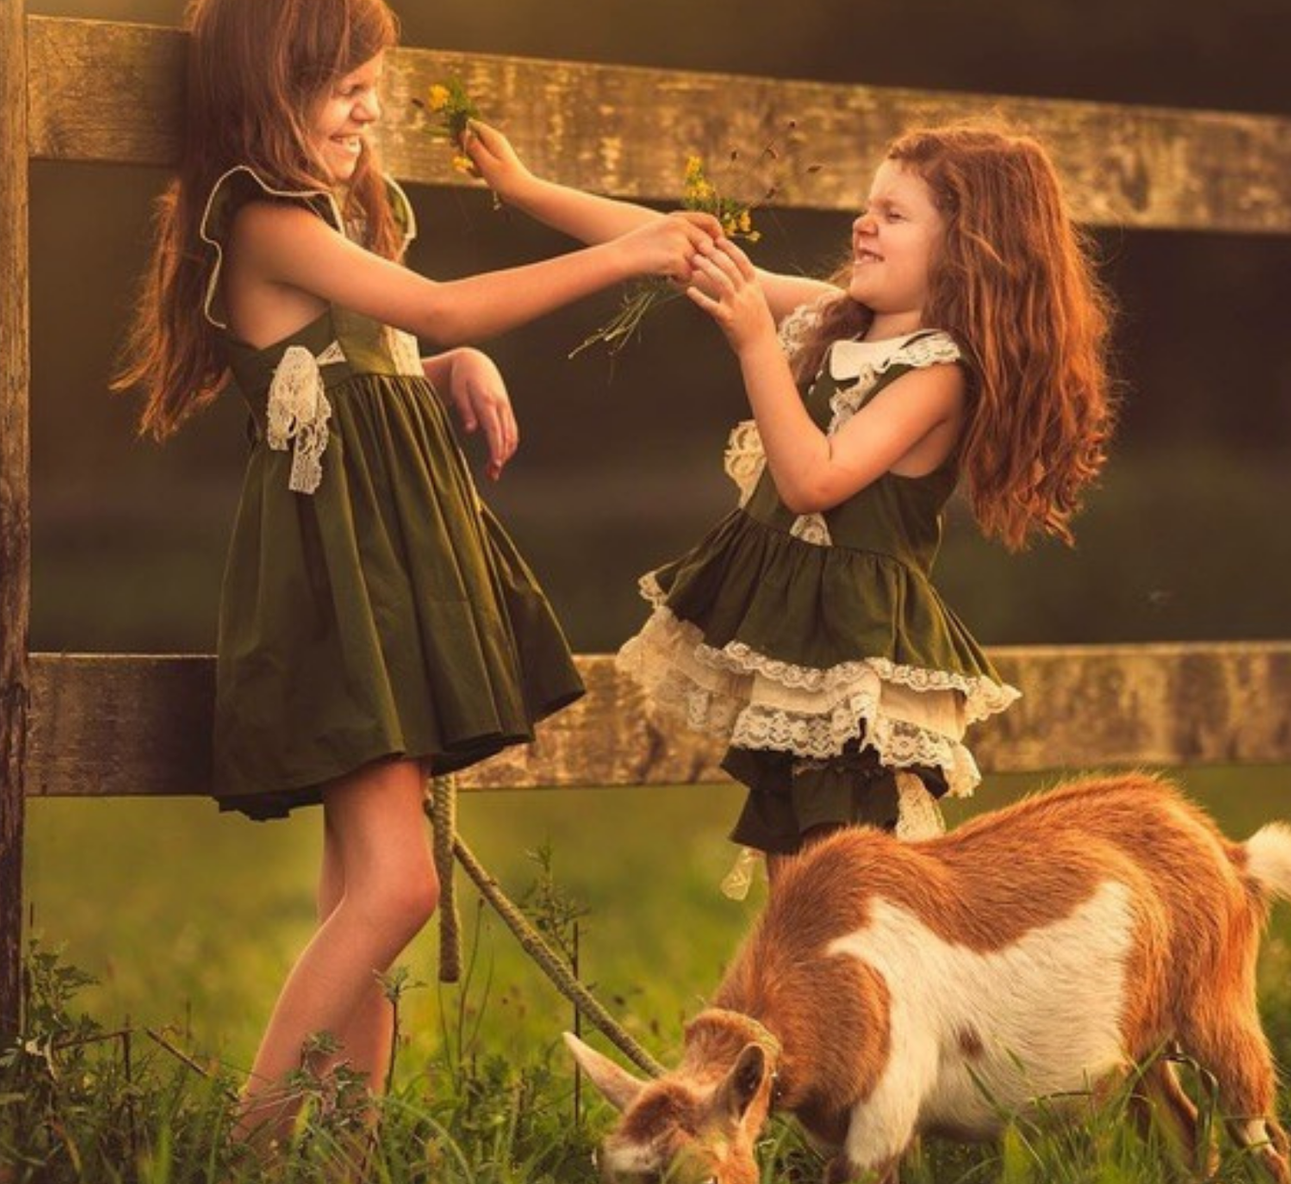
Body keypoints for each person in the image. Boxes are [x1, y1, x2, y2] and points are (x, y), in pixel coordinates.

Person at [114, 0, 717, 1150]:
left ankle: (340, 1180)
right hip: (339, 575)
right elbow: (430, 300)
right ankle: (244, 1148)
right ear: (269, 78)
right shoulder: (260, 213)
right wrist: (632, 248)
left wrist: (451, 364)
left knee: (362, 901)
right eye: (345, 83)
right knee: (397, 889)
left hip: (390, 562)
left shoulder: (325, 214)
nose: (370, 106)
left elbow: (389, 342)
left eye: (372, 82)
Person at [465, 120, 1116, 884]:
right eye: (868, 205)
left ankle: (849, 1003)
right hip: (793, 648)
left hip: (847, 663)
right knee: (794, 883)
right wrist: (525, 188)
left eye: (894, 215)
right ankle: (799, 1007)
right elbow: (674, 247)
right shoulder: (840, 318)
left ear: (967, 251)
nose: (861, 224)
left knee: (845, 888)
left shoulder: (937, 374)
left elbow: (815, 479)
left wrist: (753, 346)